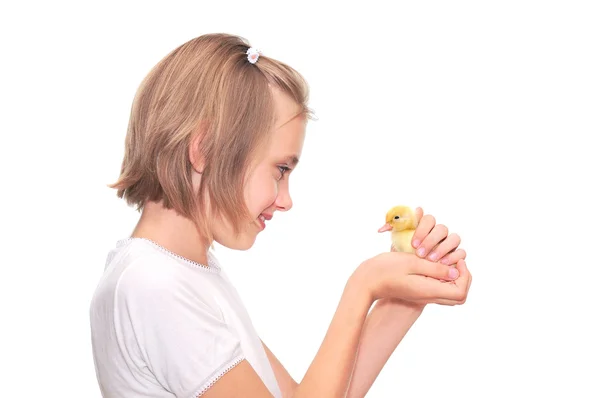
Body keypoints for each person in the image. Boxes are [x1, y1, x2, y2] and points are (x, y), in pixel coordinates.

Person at [89, 33, 472, 398]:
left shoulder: (184, 273)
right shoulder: (155, 285)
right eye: (281, 170)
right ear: (203, 150)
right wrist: (363, 286)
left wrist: (404, 294)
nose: (286, 200)